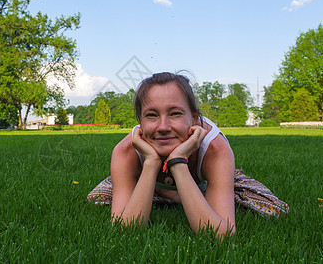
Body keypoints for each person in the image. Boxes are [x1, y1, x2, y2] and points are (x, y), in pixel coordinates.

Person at [87, 72, 288, 239]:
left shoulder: (215, 149)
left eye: (175, 114)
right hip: (149, 180)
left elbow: (221, 235)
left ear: (193, 117)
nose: (163, 127)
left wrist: (178, 162)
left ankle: (182, 194)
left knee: (270, 207)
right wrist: (151, 162)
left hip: (204, 181)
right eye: (151, 115)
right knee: (97, 197)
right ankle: (174, 194)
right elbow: (125, 230)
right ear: (140, 119)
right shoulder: (125, 152)